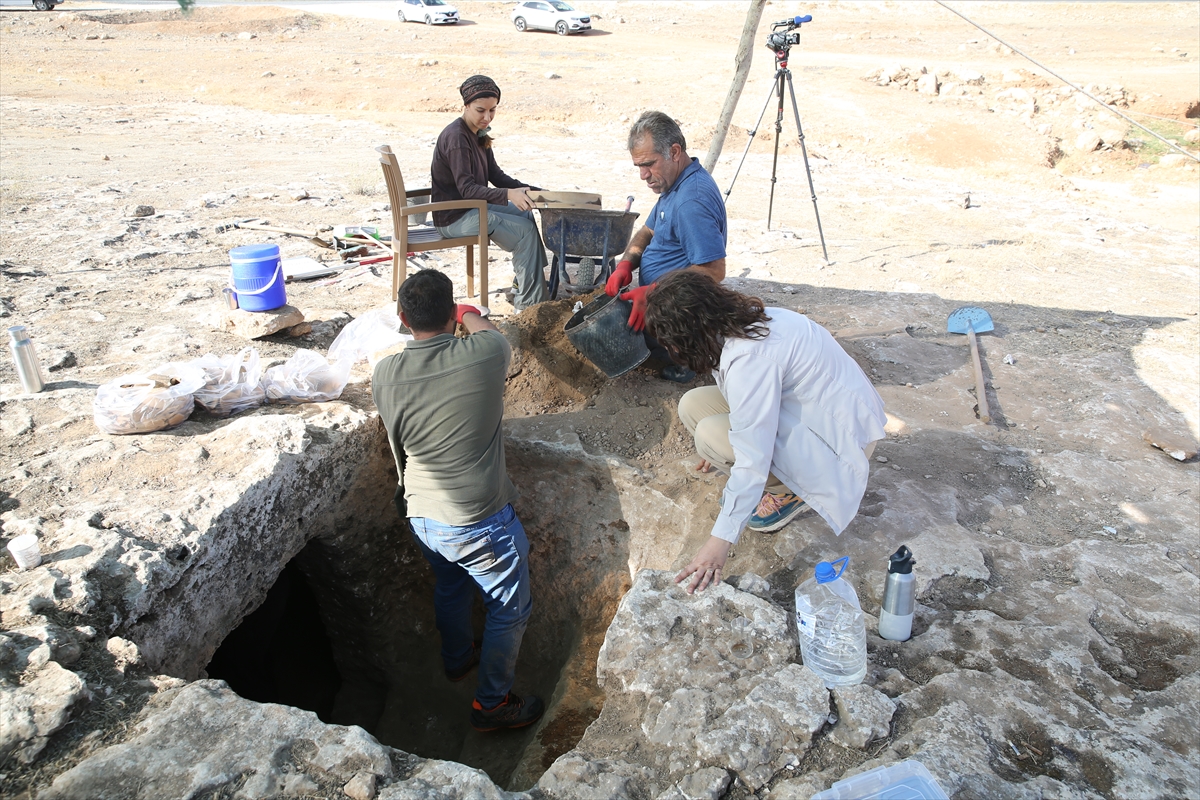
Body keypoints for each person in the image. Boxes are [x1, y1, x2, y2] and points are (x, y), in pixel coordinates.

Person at [372, 269, 544, 731]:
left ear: (404, 318)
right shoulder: (485, 352)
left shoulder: (384, 373)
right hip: (477, 520)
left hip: (423, 515)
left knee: (450, 584)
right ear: (452, 315)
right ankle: (490, 705)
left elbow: (398, 446)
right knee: (509, 609)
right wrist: (469, 311)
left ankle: (456, 660)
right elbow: (489, 329)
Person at [643, 271, 887, 595]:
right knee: (692, 405)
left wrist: (720, 542)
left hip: (841, 447)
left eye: (672, 341)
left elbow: (751, 460)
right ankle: (778, 478)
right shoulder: (748, 321)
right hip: (831, 418)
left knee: (710, 435)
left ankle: (788, 493)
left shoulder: (748, 358)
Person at [605, 110, 728, 383]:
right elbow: (648, 231)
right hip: (660, 302)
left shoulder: (690, 201)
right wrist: (627, 263)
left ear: (674, 152)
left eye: (648, 164)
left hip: (678, 312)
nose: (642, 175)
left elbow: (713, 270)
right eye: (638, 166)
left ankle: (687, 360)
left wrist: (652, 292)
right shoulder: (674, 184)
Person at [431, 75, 549, 311]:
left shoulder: (477, 133)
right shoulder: (457, 137)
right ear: (465, 106)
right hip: (453, 217)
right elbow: (466, 190)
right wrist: (508, 195)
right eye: (480, 110)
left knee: (523, 211)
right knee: (524, 232)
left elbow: (496, 176)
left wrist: (529, 191)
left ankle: (524, 283)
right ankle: (529, 307)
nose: (487, 117)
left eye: (492, 110)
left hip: (470, 208)